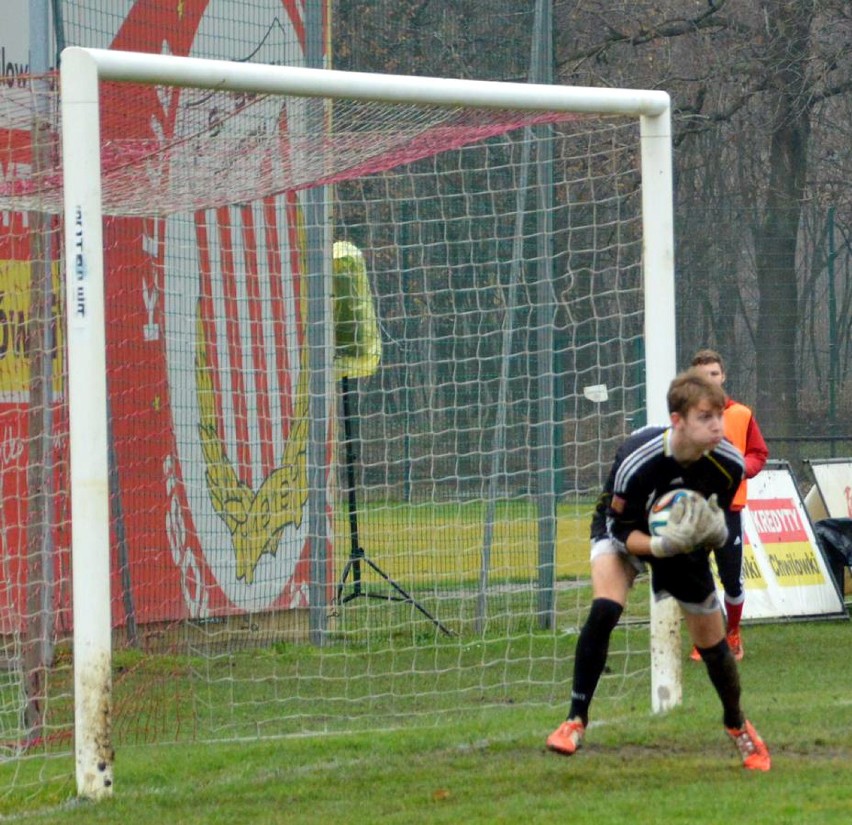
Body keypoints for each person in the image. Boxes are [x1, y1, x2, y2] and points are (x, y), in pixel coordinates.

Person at [546, 369, 771, 771]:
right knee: (605, 610)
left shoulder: (729, 462)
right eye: (706, 417)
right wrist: (657, 545)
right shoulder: (638, 461)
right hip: (627, 532)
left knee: (713, 646)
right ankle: (574, 720)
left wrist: (711, 531)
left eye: (719, 415)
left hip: (681, 546)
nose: (717, 425)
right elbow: (618, 529)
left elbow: (712, 518)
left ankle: (737, 725)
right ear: (677, 421)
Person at [689, 349, 769, 661]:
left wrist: (740, 468)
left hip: (730, 510)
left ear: (723, 377)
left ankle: (733, 632)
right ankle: (707, 638)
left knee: (731, 578)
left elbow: (758, 453)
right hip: (695, 509)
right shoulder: (686, 416)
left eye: (714, 374)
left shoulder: (741, 414)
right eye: (702, 376)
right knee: (696, 577)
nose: (709, 380)